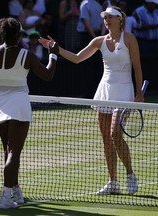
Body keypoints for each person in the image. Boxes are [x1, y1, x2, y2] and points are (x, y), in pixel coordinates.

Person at [39, 6, 144, 195]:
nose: (106, 20)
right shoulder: (99, 41)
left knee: (115, 134)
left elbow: (137, 67)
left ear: (120, 19)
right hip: (104, 91)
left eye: (110, 17)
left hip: (124, 91)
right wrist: (57, 49)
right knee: (106, 138)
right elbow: (77, 58)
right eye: (105, 17)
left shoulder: (129, 39)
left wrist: (139, 93)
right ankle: (113, 182)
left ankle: (130, 175)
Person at [0, 17, 58, 209]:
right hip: (19, 104)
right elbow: (48, 75)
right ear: (19, 35)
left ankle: (16, 191)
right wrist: (53, 55)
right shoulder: (27, 55)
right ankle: (5, 196)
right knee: (14, 152)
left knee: (9, 151)